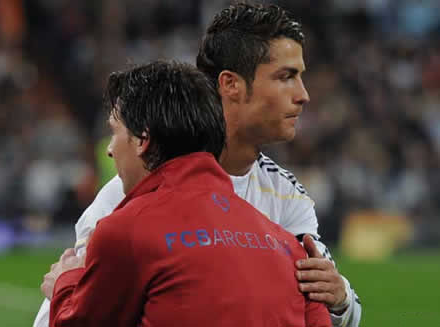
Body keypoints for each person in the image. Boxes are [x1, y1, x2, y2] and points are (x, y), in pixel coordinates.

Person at [34, 3, 362, 327]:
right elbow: (61, 313)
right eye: (286, 77)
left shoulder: (287, 196)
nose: (303, 94)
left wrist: (342, 300)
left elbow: (333, 306)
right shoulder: (125, 197)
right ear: (230, 84)